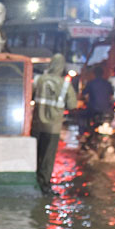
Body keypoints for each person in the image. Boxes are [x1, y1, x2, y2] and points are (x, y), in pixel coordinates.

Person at [31, 53, 77, 194]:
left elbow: (29, 95)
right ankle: (44, 185)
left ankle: (32, 181)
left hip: (37, 125)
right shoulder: (65, 85)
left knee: (34, 154)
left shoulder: (39, 80)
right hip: (53, 128)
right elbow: (72, 104)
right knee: (47, 157)